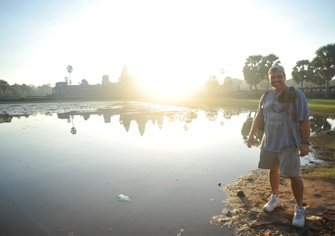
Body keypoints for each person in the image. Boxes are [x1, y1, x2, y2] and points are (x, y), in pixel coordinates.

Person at [247, 65, 310, 228]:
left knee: (293, 175)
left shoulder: (296, 95)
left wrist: (304, 142)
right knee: (272, 170)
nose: (276, 80)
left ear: (284, 76)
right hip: (269, 143)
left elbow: (304, 120)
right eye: (273, 77)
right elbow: (258, 117)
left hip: (289, 144)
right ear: (269, 80)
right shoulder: (266, 96)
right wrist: (251, 134)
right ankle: (275, 198)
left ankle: (300, 208)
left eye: (279, 76)